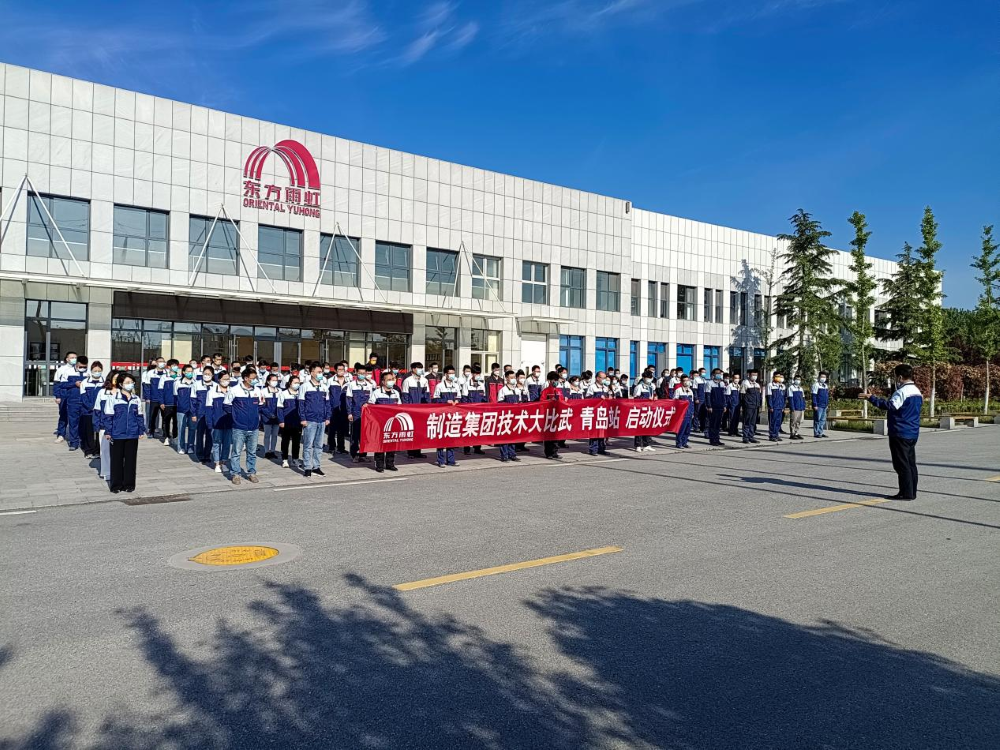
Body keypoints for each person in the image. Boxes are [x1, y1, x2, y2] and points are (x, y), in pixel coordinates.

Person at [859, 364, 922, 500]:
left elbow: (890, 406)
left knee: (901, 464)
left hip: (900, 432)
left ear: (900, 377)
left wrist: (871, 398)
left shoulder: (902, 392)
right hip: (912, 431)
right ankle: (912, 492)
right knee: (910, 464)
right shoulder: (917, 391)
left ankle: (906, 493)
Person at [101, 373, 145, 493]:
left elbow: (140, 416)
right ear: (121, 384)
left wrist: (141, 429)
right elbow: (108, 416)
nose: (130, 384)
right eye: (127, 382)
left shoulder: (136, 399)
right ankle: (116, 485)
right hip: (117, 434)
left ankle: (129, 484)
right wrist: (108, 431)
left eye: (131, 382)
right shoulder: (113, 398)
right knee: (116, 460)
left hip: (132, 433)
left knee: (131, 460)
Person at [227, 365, 264, 484]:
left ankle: (251, 472)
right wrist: (236, 417)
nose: (254, 380)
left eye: (255, 378)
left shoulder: (257, 390)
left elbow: (261, 406)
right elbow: (226, 406)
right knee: (236, 452)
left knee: (252, 452)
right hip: (239, 427)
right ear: (246, 378)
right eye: (252, 378)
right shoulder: (234, 390)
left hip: (254, 427)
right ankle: (235, 474)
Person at [298, 363, 330, 478]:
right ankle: (307, 467)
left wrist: (328, 417)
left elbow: (327, 404)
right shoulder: (305, 386)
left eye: (321, 372)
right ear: (312, 373)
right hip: (310, 420)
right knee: (308, 445)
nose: (321, 374)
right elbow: (301, 404)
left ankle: (316, 466)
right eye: (318, 372)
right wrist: (303, 418)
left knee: (319, 445)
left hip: (321, 420)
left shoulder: (324, 387)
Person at [369, 371, 402, 473]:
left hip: (393, 422)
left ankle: (390, 463)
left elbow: (400, 407)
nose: (391, 381)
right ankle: (379, 465)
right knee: (380, 444)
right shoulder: (376, 393)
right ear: (383, 381)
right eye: (389, 380)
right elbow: (370, 406)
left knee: (392, 443)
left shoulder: (396, 393)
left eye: (392, 379)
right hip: (380, 423)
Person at [432, 366, 463, 467]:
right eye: (450, 373)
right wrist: (446, 401)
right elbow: (435, 400)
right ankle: (440, 460)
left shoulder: (456, 386)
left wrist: (457, 400)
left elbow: (460, 397)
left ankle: (451, 460)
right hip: (442, 415)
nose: (452, 375)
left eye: (453, 373)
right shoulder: (440, 386)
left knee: (452, 437)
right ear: (446, 374)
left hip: (453, 415)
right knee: (441, 438)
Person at [346, 363, 376, 463]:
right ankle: (354, 455)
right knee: (355, 435)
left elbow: (372, 400)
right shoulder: (352, 385)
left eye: (364, 373)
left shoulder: (369, 385)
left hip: (366, 414)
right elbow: (349, 400)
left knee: (365, 435)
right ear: (356, 373)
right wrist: (349, 413)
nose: (362, 375)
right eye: (360, 373)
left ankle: (363, 454)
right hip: (355, 413)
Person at [206, 371, 234, 474]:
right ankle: (217, 463)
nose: (226, 381)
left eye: (228, 379)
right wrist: (209, 423)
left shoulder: (232, 391)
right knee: (216, 443)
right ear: (219, 379)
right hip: (216, 422)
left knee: (227, 444)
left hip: (229, 422)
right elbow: (209, 409)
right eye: (224, 379)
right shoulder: (212, 391)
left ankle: (224, 462)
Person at [94, 370, 119, 482]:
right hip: (104, 425)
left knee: (118, 451)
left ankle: (118, 471)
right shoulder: (102, 392)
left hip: (119, 426)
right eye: (115, 378)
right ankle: (106, 472)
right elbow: (97, 410)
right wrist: (97, 425)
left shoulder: (123, 393)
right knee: (104, 450)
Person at [402, 362, 430, 459]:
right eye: (418, 368)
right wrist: (406, 409)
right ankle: (410, 452)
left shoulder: (424, 380)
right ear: (413, 369)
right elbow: (405, 396)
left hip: (421, 410)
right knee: (411, 430)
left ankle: (418, 451)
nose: (420, 370)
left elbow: (427, 395)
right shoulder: (407, 381)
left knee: (420, 431)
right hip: (411, 409)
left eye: (421, 368)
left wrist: (427, 408)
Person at [495, 371, 524, 463]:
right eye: (511, 377)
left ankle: (512, 454)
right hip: (506, 416)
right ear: (506, 378)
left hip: (515, 416)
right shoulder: (503, 390)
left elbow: (520, 402)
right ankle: (504, 455)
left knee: (513, 436)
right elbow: (500, 404)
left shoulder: (517, 390)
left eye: (514, 377)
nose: (513, 379)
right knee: (505, 436)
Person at [79, 360, 105, 459]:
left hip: (100, 412)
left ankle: (98, 451)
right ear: (91, 371)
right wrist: (91, 407)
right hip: (87, 411)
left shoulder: (104, 382)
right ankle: (88, 451)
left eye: (99, 370)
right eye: (95, 370)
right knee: (88, 432)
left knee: (99, 432)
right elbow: (83, 397)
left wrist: (99, 408)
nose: (97, 372)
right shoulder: (85, 382)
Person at [539, 371, 566, 460]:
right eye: (554, 380)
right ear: (549, 381)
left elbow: (562, 400)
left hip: (557, 415)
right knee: (548, 435)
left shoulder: (559, 391)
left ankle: (555, 452)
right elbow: (541, 401)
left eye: (556, 380)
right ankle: (548, 453)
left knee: (556, 435)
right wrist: (550, 401)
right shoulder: (545, 391)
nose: (555, 382)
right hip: (548, 415)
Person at [585, 371, 614, 456]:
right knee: (594, 431)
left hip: (603, 412)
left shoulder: (605, 387)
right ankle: (593, 449)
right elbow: (587, 398)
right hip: (595, 412)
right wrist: (597, 397)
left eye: (605, 378)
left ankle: (601, 448)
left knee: (602, 431)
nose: (604, 379)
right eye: (603, 378)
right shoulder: (592, 387)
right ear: (597, 378)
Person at [278, 374, 303, 468]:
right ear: (290, 383)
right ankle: (284, 459)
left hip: (297, 422)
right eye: (295, 382)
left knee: (296, 442)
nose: (297, 384)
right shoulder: (283, 393)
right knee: (285, 441)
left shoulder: (300, 393)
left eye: (298, 383)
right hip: (286, 421)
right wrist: (281, 421)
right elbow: (279, 408)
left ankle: (295, 459)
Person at [52, 351, 78, 443]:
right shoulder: (61, 370)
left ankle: (76, 436)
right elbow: (57, 384)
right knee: (63, 415)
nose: (74, 359)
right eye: (72, 357)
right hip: (64, 396)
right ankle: (61, 434)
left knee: (76, 416)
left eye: (75, 357)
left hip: (75, 397)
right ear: (67, 359)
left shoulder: (78, 369)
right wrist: (58, 396)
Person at [461, 364, 487, 456]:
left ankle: (477, 448)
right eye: (476, 373)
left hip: (479, 411)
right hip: (469, 412)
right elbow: (464, 399)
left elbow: (484, 399)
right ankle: (466, 448)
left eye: (479, 374)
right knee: (468, 430)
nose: (478, 375)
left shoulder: (481, 385)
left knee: (478, 430)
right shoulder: (466, 385)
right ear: (472, 374)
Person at [326, 362, 351, 456]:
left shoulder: (349, 381)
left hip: (344, 408)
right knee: (332, 429)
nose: (341, 371)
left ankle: (341, 448)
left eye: (343, 369)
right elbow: (326, 394)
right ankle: (331, 447)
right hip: (333, 408)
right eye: (339, 369)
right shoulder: (330, 381)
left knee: (342, 429)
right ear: (335, 370)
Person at [631, 368, 657, 452]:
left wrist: (654, 398)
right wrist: (646, 400)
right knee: (639, 427)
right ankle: (638, 445)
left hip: (649, 409)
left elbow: (654, 394)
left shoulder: (651, 386)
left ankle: (647, 444)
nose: (648, 379)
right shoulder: (639, 387)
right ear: (643, 378)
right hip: (641, 409)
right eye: (647, 377)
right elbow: (636, 398)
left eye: (650, 377)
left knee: (647, 427)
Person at [192, 366, 214, 464]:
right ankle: (200, 455)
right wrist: (193, 414)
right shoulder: (196, 384)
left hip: (211, 414)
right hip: (200, 413)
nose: (206, 376)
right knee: (200, 434)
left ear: (212, 375)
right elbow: (193, 400)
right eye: (205, 374)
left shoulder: (216, 386)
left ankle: (207, 455)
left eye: (209, 374)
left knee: (210, 435)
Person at [174, 364, 197, 455]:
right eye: (188, 371)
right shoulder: (178, 383)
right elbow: (175, 396)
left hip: (192, 409)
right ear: (183, 372)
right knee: (181, 428)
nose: (190, 373)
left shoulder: (195, 383)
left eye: (191, 371)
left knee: (192, 428)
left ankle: (190, 446)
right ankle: (181, 447)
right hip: (181, 409)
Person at [157, 359, 180, 447]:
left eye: (176, 365)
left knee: (176, 422)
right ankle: (167, 437)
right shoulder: (164, 377)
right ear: (169, 367)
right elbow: (160, 391)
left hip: (177, 404)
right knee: (166, 421)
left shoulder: (180, 377)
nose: (175, 367)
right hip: (167, 403)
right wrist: (161, 402)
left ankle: (175, 437)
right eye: (173, 365)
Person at [261, 371, 282, 459]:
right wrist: (269, 414)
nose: (275, 382)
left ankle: (273, 451)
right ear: (268, 381)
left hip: (277, 417)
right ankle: (266, 451)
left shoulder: (280, 391)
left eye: (276, 380)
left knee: (275, 435)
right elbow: (261, 406)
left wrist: (279, 415)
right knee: (267, 434)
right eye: (273, 380)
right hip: (267, 417)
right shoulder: (263, 391)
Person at [706, 368, 727, 446]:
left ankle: (717, 439)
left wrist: (724, 405)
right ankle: (712, 440)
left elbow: (724, 396)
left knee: (718, 423)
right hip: (713, 406)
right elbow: (708, 395)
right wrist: (709, 406)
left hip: (720, 406)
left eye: (720, 373)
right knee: (713, 423)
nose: (719, 375)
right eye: (717, 373)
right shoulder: (709, 383)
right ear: (713, 375)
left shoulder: (722, 383)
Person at [740, 369, 763, 444]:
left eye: (756, 375)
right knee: (747, 421)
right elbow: (742, 395)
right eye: (753, 375)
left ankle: (751, 436)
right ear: (749, 375)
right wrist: (744, 405)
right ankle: (745, 437)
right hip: (748, 406)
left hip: (755, 406)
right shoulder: (745, 383)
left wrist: (759, 405)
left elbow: (759, 396)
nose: (754, 376)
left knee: (753, 422)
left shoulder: (757, 385)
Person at [146, 357, 166, 437]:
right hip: (154, 398)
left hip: (164, 399)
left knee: (165, 416)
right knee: (152, 416)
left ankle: (165, 432)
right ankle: (151, 431)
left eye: (163, 361)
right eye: (160, 361)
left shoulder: (167, 373)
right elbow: (147, 386)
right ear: (156, 363)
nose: (162, 363)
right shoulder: (150, 373)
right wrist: (147, 397)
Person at [673, 376, 695, 449]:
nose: (686, 382)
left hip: (689, 413)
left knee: (688, 430)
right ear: (681, 382)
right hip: (682, 414)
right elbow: (675, 402)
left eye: (687, 380)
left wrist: (692, 412)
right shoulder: (678, 390)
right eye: (684, 381)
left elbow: (692, 403)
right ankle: (679, 443)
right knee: (681, 429)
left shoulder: (690, 391)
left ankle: (684, 442)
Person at [766, 372, 787, 442]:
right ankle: (772, 435)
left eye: (779, 376)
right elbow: (769, 397)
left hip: (780, 407)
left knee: (778, 422)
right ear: (774, 377)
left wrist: (783, 406)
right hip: (774, 407)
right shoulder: (770, 385)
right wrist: (770, 406)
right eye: (777, 376)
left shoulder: (782, 386)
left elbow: (784, 397)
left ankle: (776, 435)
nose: (778, 378)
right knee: (773, 422)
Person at [787, 375, 807, 440]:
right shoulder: (791, 388)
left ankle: (796, 432)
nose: (798, 381)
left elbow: (803, 398)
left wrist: (803, 406)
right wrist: (792, 407)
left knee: (798, 421)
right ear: (794, 380)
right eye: (797, 379)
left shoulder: (800, 388)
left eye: (799, 379)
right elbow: (790, 398)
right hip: (795, 408)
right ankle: (792, 433)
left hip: (800, 407)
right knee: (793, 421)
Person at [812, 371, 831, 438]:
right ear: (819, 377)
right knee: (817, 419)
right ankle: (816, 433)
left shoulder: (825, 385)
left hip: (824, 405)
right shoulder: (816, 385)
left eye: (824, 377)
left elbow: (826, 396)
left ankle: (821, 432)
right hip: (818, 405)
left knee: (822, 420)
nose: (823, 378)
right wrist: (815, 405)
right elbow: (814, 395)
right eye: (822, 377)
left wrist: (827, 404)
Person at [726, 372, 742, 437]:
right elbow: (727, 397)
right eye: (735, 378)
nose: (737, 379)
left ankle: (736, 431)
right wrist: (728, 405)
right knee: (732, 418)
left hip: (738, 404)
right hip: (732, 405)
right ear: (732, 378)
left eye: (738, 378)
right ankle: (731, 431)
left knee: (737, 418)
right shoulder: (730, 386)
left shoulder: (739, 386)